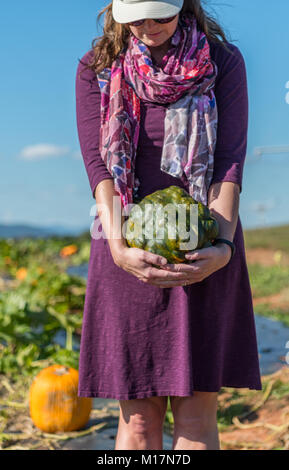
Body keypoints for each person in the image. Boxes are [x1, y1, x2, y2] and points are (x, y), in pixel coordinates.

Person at [75, 0, 262, 450]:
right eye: (136, 17)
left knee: (196, 422)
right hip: (124, 246)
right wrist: (120, 248)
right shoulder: (98, 66)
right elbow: (99, 167)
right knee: (138, 423)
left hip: (203, 240)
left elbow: (227, 163)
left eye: (160, 14)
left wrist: (221, 248)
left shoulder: (221, 62)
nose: (149, 26)